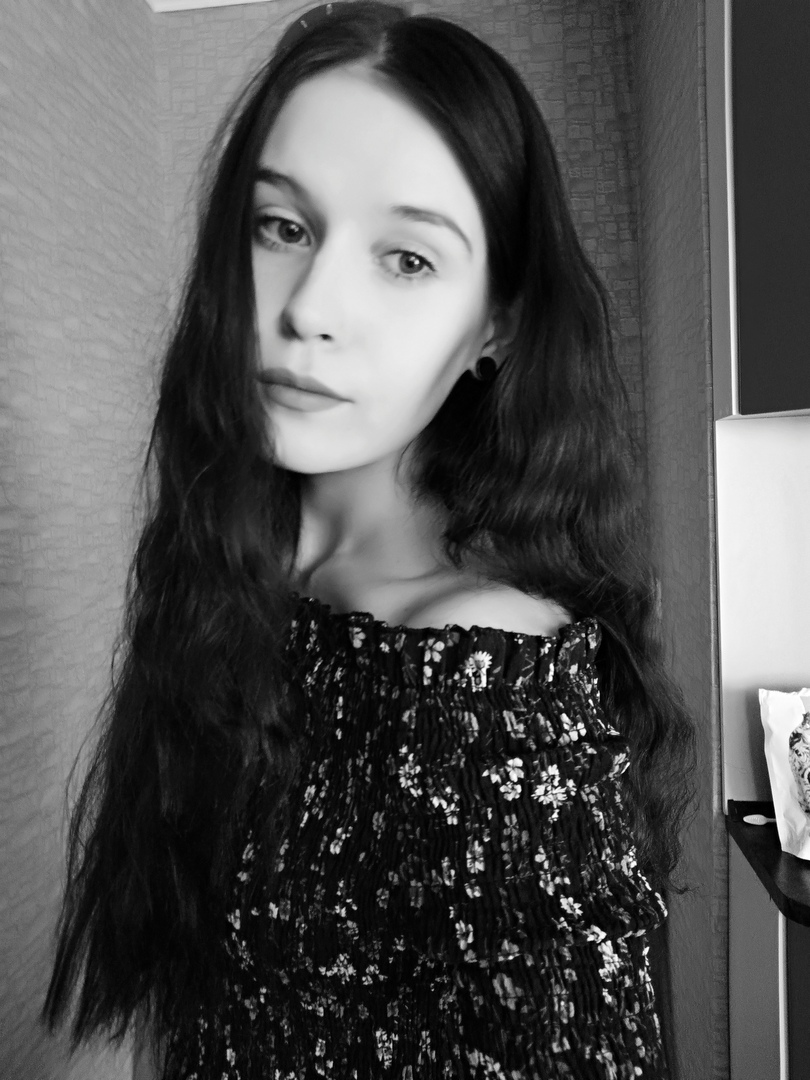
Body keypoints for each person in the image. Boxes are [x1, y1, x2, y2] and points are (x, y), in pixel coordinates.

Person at [41, 3, 696, 1077]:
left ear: (496, 325)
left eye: (407, 259)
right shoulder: (238, 562)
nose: (311, 308)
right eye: (283, 228)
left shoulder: (488, 698)